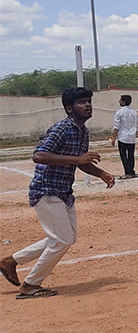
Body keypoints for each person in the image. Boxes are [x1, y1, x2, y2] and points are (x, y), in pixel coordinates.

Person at [2, 87, 116, 298]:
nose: (87, 105)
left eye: (88, 101)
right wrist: (78, 160)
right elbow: (39, 155)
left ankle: (10, 261)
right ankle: (30, 285)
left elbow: (82, 161)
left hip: (63, 191)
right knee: (62, 240)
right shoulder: (62, 129)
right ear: (68, 108)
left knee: (65, 238)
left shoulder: (82, 131)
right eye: (81, 102)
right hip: (46, 189)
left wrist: (101, 174)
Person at [108, 94, 138, 178]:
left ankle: (127, 172)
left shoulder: (119, 112)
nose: (119, 101)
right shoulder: (134, 112)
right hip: (132, 137)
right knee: (131, 155)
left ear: (124, 101)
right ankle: (132, 171)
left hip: (123, 137)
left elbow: (116, 127)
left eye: (120, 100)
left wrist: (113, 138)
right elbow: (136, 125)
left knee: (123, 156)